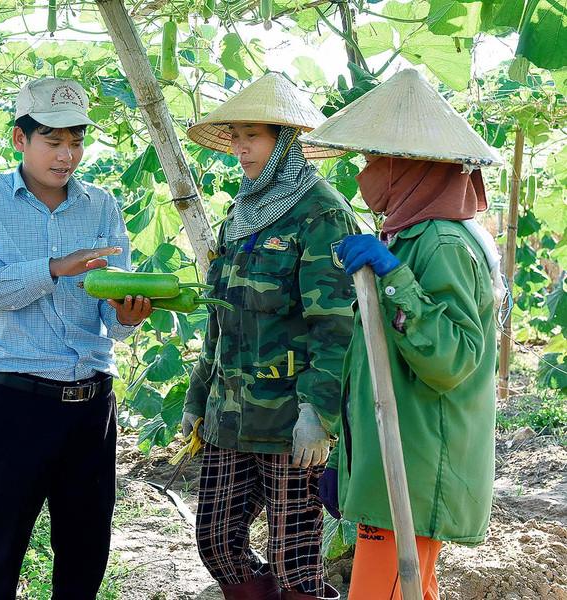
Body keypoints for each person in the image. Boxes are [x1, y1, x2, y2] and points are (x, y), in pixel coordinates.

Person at [0, 77, 154, 600]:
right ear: (20, 138)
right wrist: (53, 268)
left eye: (76, 141)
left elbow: (114, 321)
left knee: (85, 556)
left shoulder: (100, 206)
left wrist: (131, 314)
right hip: (19, 403)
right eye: (53, 142)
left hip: (92, 406)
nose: (67, 155)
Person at [301, 68, 502, 600]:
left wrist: (394, 279)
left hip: (416, 470)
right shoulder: (409, 235)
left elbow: (452, 358)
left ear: (407, 166)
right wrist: (350, 463)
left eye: (372, 162)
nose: (364, 174)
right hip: (394, 466)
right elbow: (374, 368)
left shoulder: (443, 244)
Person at [183, 72, 357, 600]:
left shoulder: (321, 213)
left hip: (289, 417)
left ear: (284, 141)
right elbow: (220, 317)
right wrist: (197, 396)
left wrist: (318, 414)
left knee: (294, 560)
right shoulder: (242, 211)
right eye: (234, 135)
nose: (239, 148)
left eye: (250, 136)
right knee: (216, 542)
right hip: (229, 413)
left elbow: (336, 325)